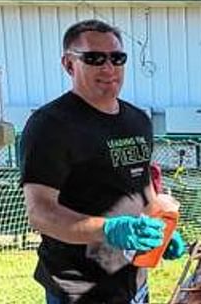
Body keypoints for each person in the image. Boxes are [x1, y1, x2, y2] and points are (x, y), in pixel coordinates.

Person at [20, 19, 187, 303]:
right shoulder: (50, 125)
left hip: (133, 280)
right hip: (79, 287)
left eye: (117, 58)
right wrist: (108, 230)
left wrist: (161, 229)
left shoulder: (137, 121)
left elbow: (141, 187)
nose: (109, 68)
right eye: (94, 58)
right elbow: (41, 212)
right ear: (69, 64)